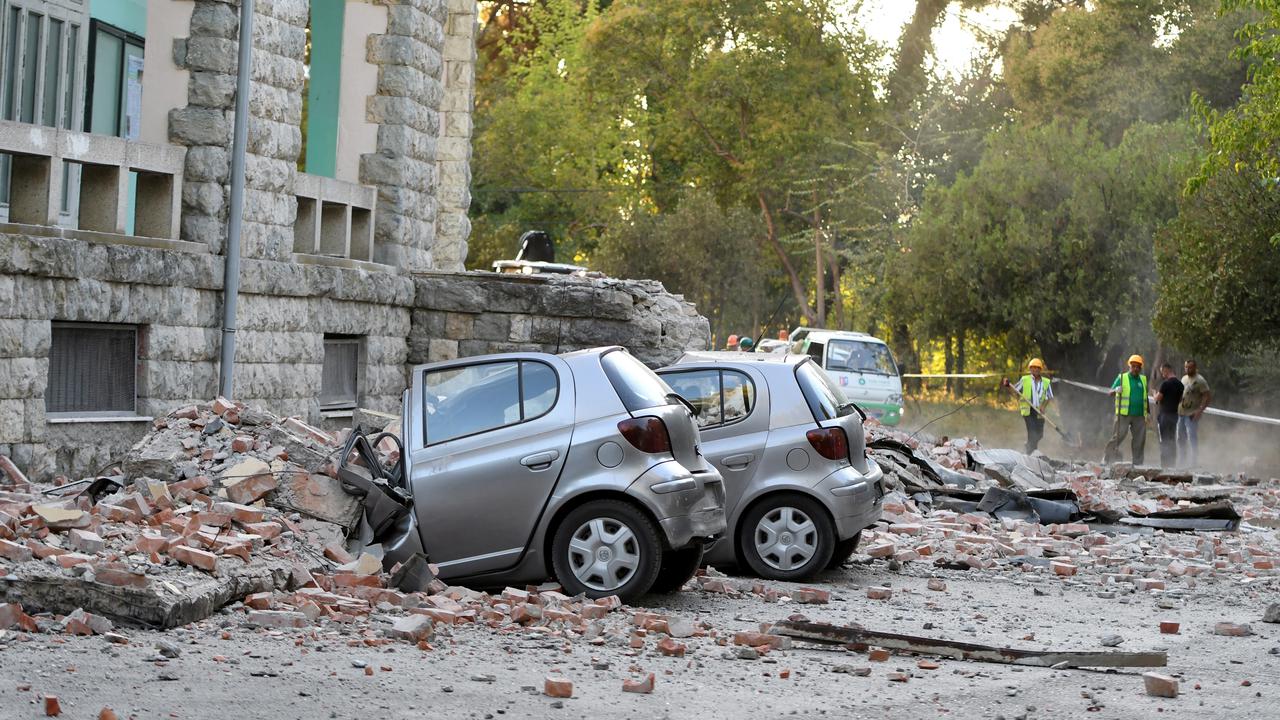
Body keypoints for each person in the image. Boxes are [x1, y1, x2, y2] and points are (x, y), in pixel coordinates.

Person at [1104, 355, 1151, 465]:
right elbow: (1110, 392)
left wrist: (1148, 412)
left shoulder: (1143, 379)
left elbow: (1146, 397)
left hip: (1139, 415)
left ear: (1140, 368)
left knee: (1139, 440)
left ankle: (1138, 464)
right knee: (1118, 436)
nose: (1135, 369)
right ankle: (1106, 458)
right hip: (1124, 414)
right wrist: (1116, 390)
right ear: (1129, 366)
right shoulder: (1122, 378)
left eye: (1138, 367)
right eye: (1133, 366)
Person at [1003, 358, 1053, 455]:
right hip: (1028, 411)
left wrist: (1043, 406)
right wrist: (1008, 385)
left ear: (1040, 370)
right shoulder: (1025, 379)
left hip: (1039, 411)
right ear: (1030, 369)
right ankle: (1030, 453)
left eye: (1037, 368)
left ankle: (1029, 447)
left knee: (1039, 434)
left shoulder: (1046, 382)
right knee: (1032, 433)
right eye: (1032, 368)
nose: (1035, 370)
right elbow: (1015, 390)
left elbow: (1049, 396)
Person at [1177, 359, 1212, 467]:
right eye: (1186, 367)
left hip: (1192, 414)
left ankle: (1193, 463)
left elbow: (1207, 396)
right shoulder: (1184, 378)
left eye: (1190, 367)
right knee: (1180, 438)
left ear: (1195, 367)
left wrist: (1200, 410)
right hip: (1181, 413)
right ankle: (1182, 461)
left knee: (1192, 438)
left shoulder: (1200, 380)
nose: (1188, 369)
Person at [1154, 363, 1183, 468]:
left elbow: (1158, 398)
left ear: (1167, 370)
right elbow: (1180, 400)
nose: (1162, 375)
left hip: (1165, 416)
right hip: (1174, 416)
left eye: (1162, 372)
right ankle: (1172, 464)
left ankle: (1165, 465)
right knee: (1172, 440)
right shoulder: (1180, 385)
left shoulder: (1165, 384)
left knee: (1164, 441)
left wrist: (1154, 394)